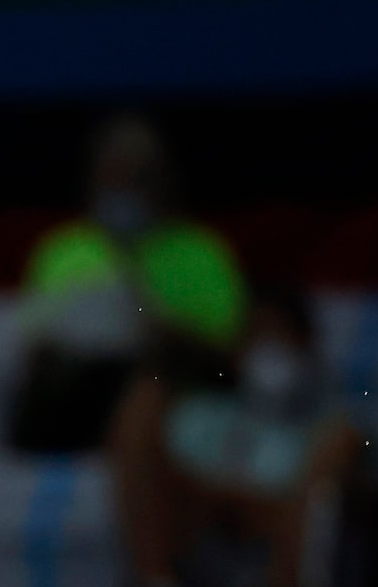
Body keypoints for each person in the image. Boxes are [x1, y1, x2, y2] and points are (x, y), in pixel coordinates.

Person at [112, 285, 362, 587]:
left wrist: (251, 506)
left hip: (277, 553)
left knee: (341, 457)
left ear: (305, 345)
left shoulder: (329, 425)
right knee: (142, 408)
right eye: (256, 334)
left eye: (277, 333)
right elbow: (172, 487)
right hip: (203, 549)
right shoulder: (204, 413)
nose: (266, 348)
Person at [12, 114, 247, 454]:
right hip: (80, 400)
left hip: (176, 400)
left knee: (149, 391)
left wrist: (158, 332)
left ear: (161, 180)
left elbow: (227, 360)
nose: (122, 189)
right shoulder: (62, 251)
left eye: (135, 177)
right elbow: (32, 346)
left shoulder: (201, 254)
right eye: (112, 176)